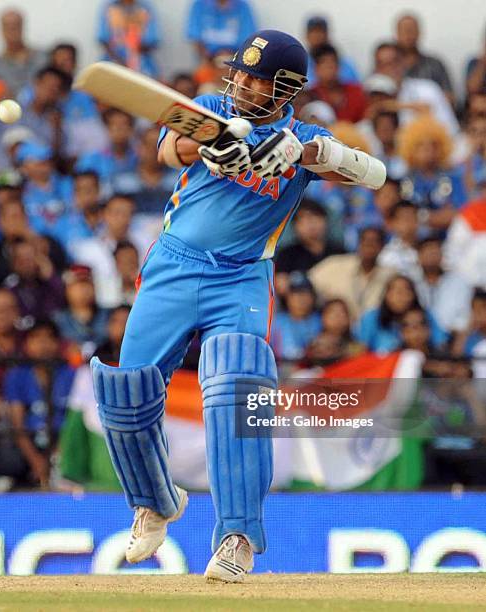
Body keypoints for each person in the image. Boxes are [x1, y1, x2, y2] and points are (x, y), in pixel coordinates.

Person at [88, 29, 386, 582]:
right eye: (241, 73)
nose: (242, 83)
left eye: (256, 78)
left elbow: (374, 174)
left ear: (285, 89)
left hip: (242, 276)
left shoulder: (305, 135)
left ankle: (238, 535)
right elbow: (166, 148)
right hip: (174, 265)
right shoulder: (211, 109)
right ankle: (155, 501)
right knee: (125, 393)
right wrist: (207, 145)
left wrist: (308, 152)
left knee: (237, 385)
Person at [4, 319, 75, 487]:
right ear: (27, 344)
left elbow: (74, 421)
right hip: (29, 442)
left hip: (63, 442)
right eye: (36, 338)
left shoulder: (71, 374)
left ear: (58, 344)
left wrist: (56, 457)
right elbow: (17, 423)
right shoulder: (16, 375)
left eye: (49, 338)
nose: (43, 344)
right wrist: (37, 461)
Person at [0, 65, 70, 171]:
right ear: (36, 83)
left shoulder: (56, 121)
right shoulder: (8, 107)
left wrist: (57, 130)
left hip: (32, 183)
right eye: (47, 86)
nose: (49, 92)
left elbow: (55, 159)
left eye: (55, 89)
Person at [397, 116, 466, 234]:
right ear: (411, 149)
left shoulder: (453, 178)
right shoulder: (404, 181)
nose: (428, 150)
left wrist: (422, 217)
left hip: (448, 241)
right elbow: (402, 218)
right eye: (421, 145)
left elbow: (459, 214)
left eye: (433, 145)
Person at [309, 226, 394, 320]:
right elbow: (306, 284)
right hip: (337, 329)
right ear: (358, 243)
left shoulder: (390, 275)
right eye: (365, 240)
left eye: (375, 241)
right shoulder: (334, 265)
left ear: (382, 247)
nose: (369, 245)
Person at [372, 42, 458, 135]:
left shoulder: (427, 89)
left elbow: (450, 130)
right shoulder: (370, 94)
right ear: (376, 69)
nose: (389, 69)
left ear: (403, 62)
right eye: (383, 65)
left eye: (394, 62)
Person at [355, 274, 446, 353]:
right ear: (386, 295)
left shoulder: (425, 315)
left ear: (413, 295)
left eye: (406, 291)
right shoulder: (372, 317)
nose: (401, 297)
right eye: (397, 292)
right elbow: (361, 349)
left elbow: (440, 344)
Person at [0, 9, 47, 96]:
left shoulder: (44, 58)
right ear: (1, 30)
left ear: (23, 27)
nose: (12, 30)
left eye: (16, 26)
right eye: (7, 26)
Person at [395, 14, 454, 104]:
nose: (408, 34)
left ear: (419, 33)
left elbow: (449, 97)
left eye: (412, 30)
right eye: (404, 30)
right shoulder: (389, 64)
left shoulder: (435, 64)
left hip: (430, 114)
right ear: (397, 34)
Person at [97, 0, 160, 77]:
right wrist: (120, 62)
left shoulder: (145, 7)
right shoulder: (109, 7)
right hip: (112, 63)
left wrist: (133, 58)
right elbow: (103, 40)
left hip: (142, 66)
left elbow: (152, 41)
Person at [270, 270, 321, 361]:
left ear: (313, 297)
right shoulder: (276, 322)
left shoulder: (321, 320)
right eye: (295, 294)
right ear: (287, 298)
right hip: (284, 368)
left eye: (305, 294)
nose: (300, 299)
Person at [309, 44, 367, 123]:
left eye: (332, 63)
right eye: (325, 64)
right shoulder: (310, 95)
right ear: (316, 69)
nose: (330, 68)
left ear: (339, 67)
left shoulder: (356, 91)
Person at [186, 0, 257, 62]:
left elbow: (248, 40)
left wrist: (233, 60)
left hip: (235, 60)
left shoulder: (243, 6)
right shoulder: (199, 5)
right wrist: (209, 61)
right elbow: (195, 38)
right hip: (208, 60)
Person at [304, 16, 360, 86]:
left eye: (321, 31)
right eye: (314, 32)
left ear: (327, 34)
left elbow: (355, 86)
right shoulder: (300, 62)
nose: (317, 36)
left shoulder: (344, 62)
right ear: (307, 35)